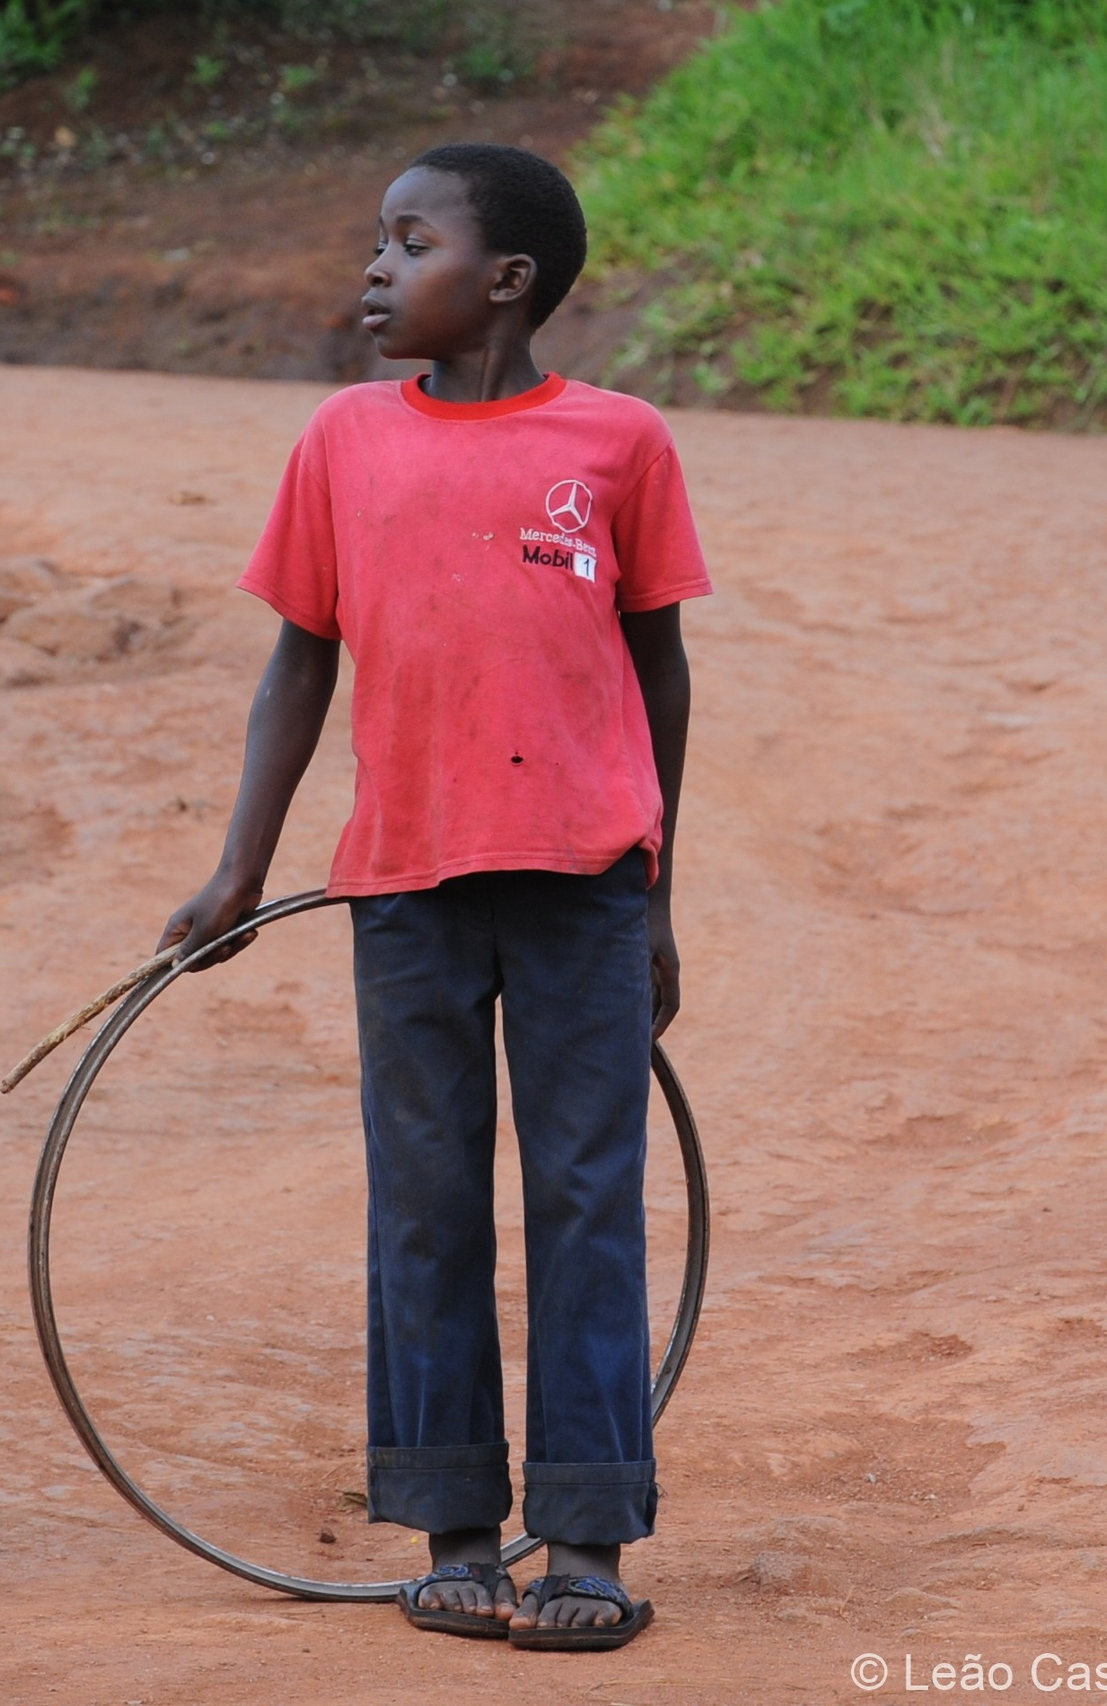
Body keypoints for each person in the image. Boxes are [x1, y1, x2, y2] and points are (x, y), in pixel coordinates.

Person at [159, 143, 706, 1652]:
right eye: (380, 244)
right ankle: (459, 1529)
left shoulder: (621, 442)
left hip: (587, 883)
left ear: (507, 279)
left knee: (588, 1198)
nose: (377, 269)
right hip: (403, 885)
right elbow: (299, 663)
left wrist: (657, 890)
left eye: (412, 242)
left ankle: (585, 1540)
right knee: (427, 1204)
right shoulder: (343, 439)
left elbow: (659, 666)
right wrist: (237, 871)